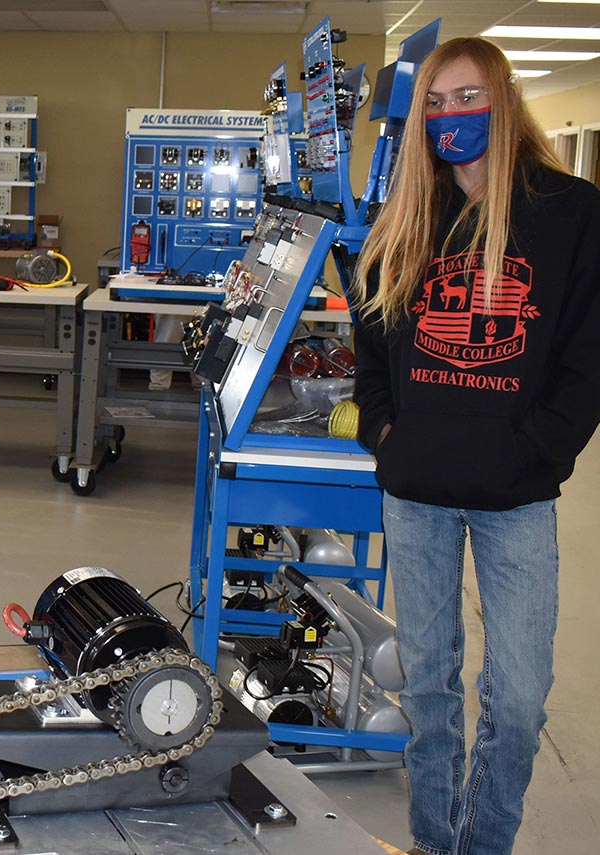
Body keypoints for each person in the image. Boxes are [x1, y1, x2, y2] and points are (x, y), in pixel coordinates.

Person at [351, 38, 600, 855]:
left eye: (468, 98)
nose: (451, 117)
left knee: (520, 702)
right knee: (430, 689)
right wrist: (387, 433)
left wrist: (535, 454)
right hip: (416, 489)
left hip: (516, 497)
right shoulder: (411, 214)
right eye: (436, 103)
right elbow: (372, 341)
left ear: (502, 97)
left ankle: (479, 844)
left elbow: (585, 359)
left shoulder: (569, 212)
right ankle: (432, 840)